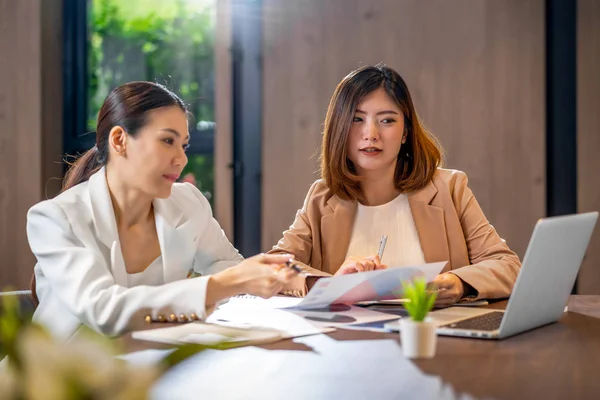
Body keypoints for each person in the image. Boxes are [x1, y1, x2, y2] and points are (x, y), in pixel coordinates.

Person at [28, 81, 297, 340]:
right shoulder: (54, 219)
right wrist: (224, 284)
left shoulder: (188, 202)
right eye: (168, 141)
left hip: (150, 367)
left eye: (184, 145)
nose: (181, 158)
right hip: (62, 379)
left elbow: (226, 265)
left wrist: (255, 275)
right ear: (120, 140)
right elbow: (103, 310)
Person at [270, 64, 521, 307]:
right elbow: (274, 266)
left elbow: (507, 265)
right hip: (348, 344)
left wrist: (459, 283)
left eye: (387, 120)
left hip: (434, 340)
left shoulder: (450, 189)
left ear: (405, 133)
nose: (371, 134)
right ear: (339, 129)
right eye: (357, 119)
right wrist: (332, 285)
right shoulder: (322, 198)